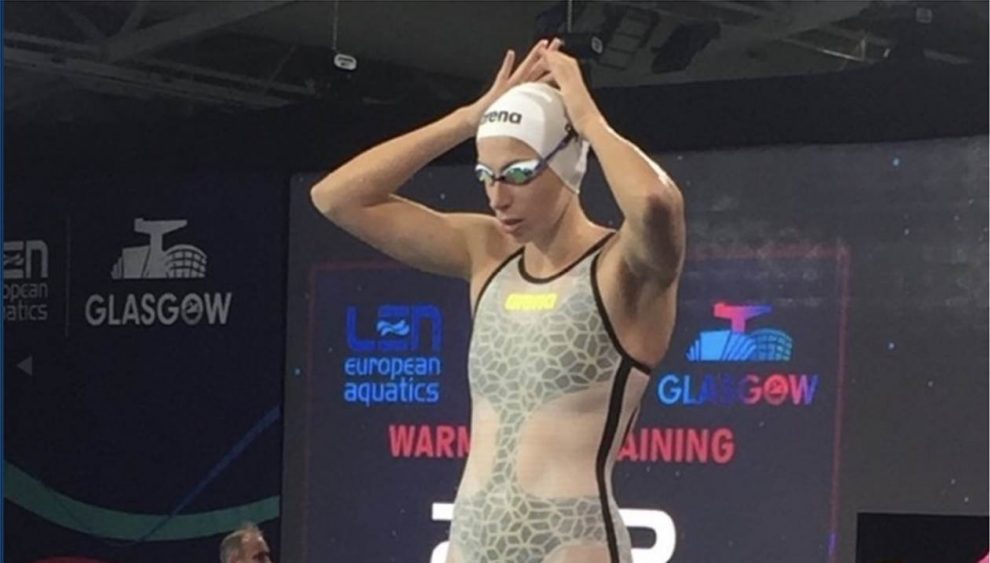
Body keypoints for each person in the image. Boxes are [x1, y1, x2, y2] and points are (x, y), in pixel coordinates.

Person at [311, 38, 684, 563]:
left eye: (518, 174)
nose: (497, 196)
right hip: (471, 542)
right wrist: (468, 119)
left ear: (568, 162)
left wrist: (588, 121)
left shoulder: (623, 268)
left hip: (573, 544)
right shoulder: (487, 253)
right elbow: (336, 198)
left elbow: (655, 201)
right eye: (486, 175)